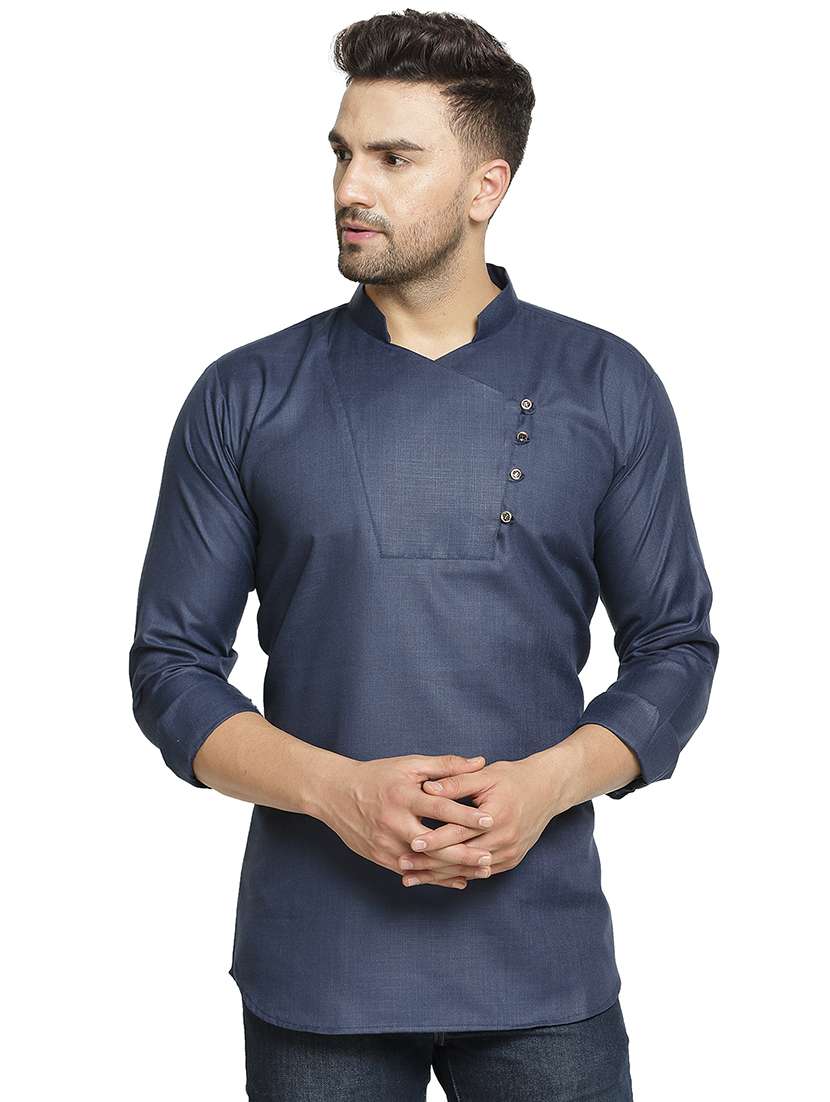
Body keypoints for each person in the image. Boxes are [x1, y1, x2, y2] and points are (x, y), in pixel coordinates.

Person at [128, 9, 719, 1100]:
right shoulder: (246, 395)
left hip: (541, 959)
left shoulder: (606, 386)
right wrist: (336, 792)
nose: (350, 186)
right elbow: (169, 668)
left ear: (487, 186)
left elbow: (676, 647)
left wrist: (547, 784)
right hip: (319, 970)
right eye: (342, 153)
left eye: (394, 159)